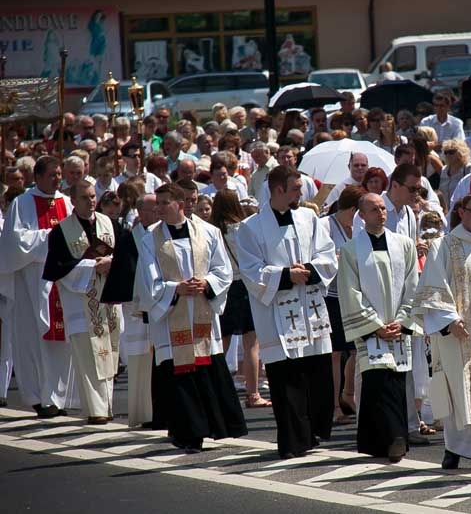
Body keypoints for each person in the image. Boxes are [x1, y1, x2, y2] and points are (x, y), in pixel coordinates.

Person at [236, 165, 338, 459]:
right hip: (277, 315)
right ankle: (293, 441)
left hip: (310, 310)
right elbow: (250, 271)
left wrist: (310, 270)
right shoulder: (251, 227)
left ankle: (313, 433)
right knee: (287, 380)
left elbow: (327, 254)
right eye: (296, 189)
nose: (301, 194)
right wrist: (285, 275)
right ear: (278, 189)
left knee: (315, 377)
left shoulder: (309, 218)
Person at [137, 183, 246, 453]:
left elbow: (223, 270)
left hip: (202, 314)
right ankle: (187, 434)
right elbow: (148, 280)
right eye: (157, 203)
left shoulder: (209, 232)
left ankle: (213, 426)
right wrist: (176, 289)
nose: (159, 208)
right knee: (179, 377)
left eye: (164, 203)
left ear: (180, 204)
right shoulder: (150, 238)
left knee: (205, 371)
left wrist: (207, 283)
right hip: (172, 316)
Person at [413, 193, 471, 470]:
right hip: (459, 332)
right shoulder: (444, 245)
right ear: (461, 212)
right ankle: (454, 448)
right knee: (457, 387)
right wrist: (448, 321)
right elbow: (433, 286)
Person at [338, 192, 420, 462]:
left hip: (397, 326)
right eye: (374, 209)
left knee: (396, 382)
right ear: (361, 215)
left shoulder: (404, 245)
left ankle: (397, 439)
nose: (381, 213)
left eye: (383, 208)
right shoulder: (351, 250)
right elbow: (350, 292)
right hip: (371, 327)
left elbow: (413, 285)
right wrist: (374, 325)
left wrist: (403, 320)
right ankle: (378, 441)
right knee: (375, 381)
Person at [0, 156, 78, 418]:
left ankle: (57, 397)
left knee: (62, 340)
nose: (58, 179)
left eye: (59, 174)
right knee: (34, 339)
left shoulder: (66, 202)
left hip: (63, 282)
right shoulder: (22, 203)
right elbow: (14, 243)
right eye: (53, 175)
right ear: (38, 177)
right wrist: (51, 237)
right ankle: (38, 397)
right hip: (32, 282)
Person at [42, 180, 122, 424]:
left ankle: (107, 406)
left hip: (108, 301)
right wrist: (93, 266)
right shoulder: (61, 231)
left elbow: (125, 253)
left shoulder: (109, 223)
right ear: (73, 201)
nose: (91, 201)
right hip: (80, 304)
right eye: (85, 197)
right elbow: (57, 268)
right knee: (88, 357)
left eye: (93, 196)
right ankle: (96, 409)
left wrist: (112, 263)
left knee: (109, 353)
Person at [100, 193, 158, 428]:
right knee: (140, 361)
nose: (158, 212)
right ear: (141, 212)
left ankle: (164, 412)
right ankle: (144, 413)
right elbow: (124, 273)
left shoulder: (164, 234)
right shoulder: (128, 239)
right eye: (153, 208)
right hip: (137, 310)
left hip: (162, 308)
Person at [210, 189, 270, 409]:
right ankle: (253, 393)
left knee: (221, 341)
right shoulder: (243, 228)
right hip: (244, 286)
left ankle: (213, 390)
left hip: (223, 287)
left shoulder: (212, 231)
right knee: (251, 343)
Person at [320, 186, 366, 425]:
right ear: (351, 209)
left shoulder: (359, 227)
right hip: (331, 295)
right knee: (335, 353)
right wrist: (336, 259)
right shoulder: (325, 226)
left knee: (357, 349)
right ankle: (334, 406)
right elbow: (318, 257)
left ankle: (349, 394)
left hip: (354, 293)